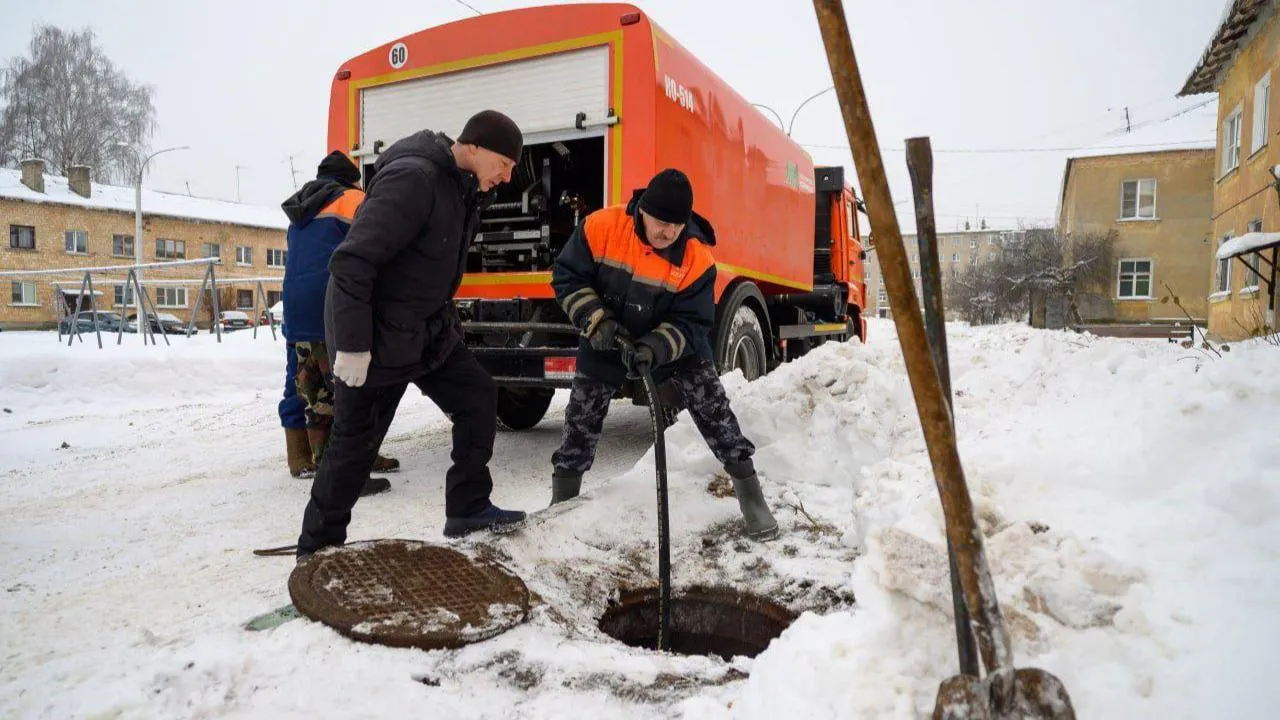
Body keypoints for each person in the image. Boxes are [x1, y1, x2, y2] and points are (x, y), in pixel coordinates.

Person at [296, 110, 528, 558]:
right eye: (505, 163)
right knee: (354, 447)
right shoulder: (415, 178)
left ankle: (467, 507)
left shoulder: (463, 189)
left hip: (424, 331)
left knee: (477, 396)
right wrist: (353, 347)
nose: (507, 176)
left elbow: (427, 267)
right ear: (475, 147)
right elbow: (352, 263)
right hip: (375, 337)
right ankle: (317, 549)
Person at [549, 168, 779, 539]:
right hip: (608, 336)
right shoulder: (602, 227)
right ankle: (561, 503)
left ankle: (751, 495)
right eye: (661, 223)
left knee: (714, 409)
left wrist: (655, 347)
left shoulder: (697, 257)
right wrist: (596, 320)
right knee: (582, 416)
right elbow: (567, 276)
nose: (668, 233)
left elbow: (692, 321)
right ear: (642, 210)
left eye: (676, 225)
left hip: (672, 347)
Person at [281, 151, 397, 497]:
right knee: (349, 385)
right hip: (330, 302)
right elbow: (378, 246)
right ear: (352, 179)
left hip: (295, 304)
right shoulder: (353, 199)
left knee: (302, 380)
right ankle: (348, 462)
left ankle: (299, 456)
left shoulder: (302, 205)